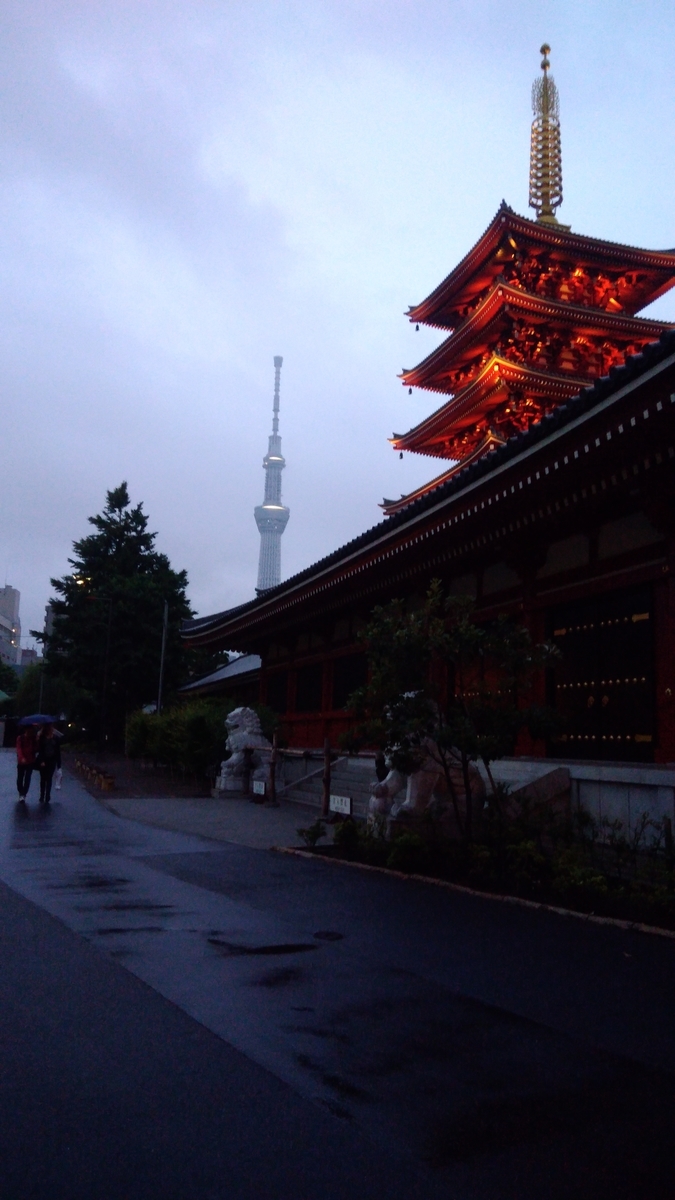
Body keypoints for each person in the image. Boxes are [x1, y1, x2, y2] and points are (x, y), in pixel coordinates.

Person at [35, 724, 61, 805]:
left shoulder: (56, 738)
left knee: (49, 778)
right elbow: (40, 750)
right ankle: (42, 795)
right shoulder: (42, 738)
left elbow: (57, 751)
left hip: (52, 761)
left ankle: (47, 795)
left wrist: (59, 765)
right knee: (43, 778)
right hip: (44, 760)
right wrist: (41, 760)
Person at [15, 724, 37, 801]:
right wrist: (22, 758)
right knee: (20, 779)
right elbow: (19, 749)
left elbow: (36, 748)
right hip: (21, 762)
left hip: (30, 761)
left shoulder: (33, 739)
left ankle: (23, 794)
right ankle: (21, 792)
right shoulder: (20, 738)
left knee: (27, 779)